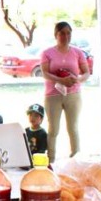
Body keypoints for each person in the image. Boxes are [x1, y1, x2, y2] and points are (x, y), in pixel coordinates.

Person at [41, 21, 89, 162]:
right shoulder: (47, 53)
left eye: (68, 33)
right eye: (62, 33)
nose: (65, 36)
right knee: (53, 129)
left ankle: (76, 158)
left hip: (73, 94)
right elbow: (44, 73)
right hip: (53, 95)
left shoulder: (77, 52)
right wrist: (60, 80)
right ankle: (50, 159)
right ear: (56, 34)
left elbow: (86, 73)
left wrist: (78, 79)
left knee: (73, 127)